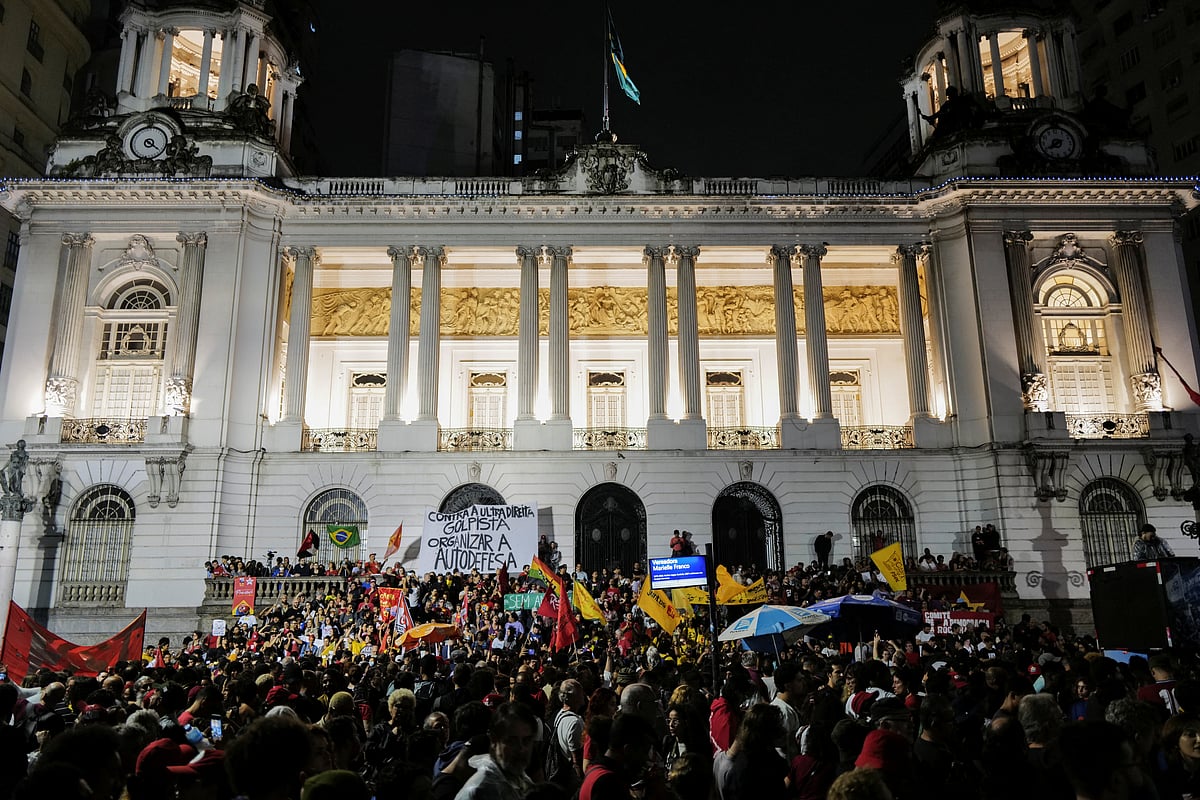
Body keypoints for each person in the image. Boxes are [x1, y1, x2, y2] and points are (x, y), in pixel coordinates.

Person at [455, 702, 537, 800]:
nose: (521, 749)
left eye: (526, 740)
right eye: (511, 741)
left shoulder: (521, 780)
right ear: (494, 740)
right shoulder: (481, 790)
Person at [579, 713, 659, 800]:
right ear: (628, 750)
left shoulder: (594, 771)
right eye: (644, 751)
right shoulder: (609, 783)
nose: (646, 758)